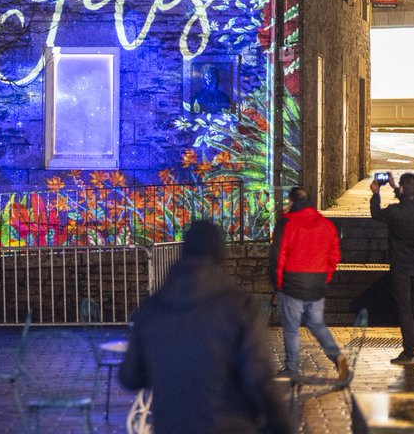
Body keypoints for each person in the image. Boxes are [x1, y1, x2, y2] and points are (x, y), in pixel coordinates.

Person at [120, 220, 291, 434]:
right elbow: (258, 377)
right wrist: (280, 423)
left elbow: (130, 377)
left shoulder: (151, 308)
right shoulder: (240, 306)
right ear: (220, 255)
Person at [267, 186, 348, 379]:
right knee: (317, 325)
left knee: (291, 328)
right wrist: (325, 277)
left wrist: (277, 284)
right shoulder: (327, 225)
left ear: (292, 202)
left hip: (292, 282)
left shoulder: (286, 224)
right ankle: (337, 358)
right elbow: (334, 255)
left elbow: (277, 257)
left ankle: (292, 368)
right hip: (316, 282)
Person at [370, 171, 414, 365]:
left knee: (404, 308)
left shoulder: (395, 212)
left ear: (403, 188)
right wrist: (396, 187)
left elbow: (376, 214)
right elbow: (410, 201)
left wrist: (376, 193)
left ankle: (408, 352)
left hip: (400, 267)